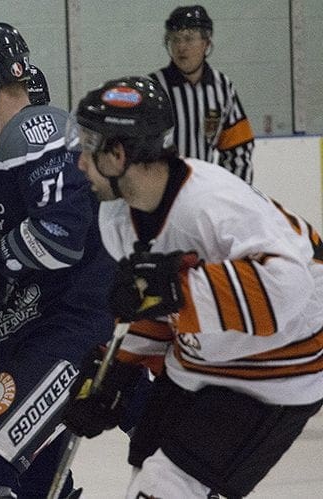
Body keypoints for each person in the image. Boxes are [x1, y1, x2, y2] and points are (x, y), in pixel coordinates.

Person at [63, 75, 323, 498]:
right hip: (201, 359)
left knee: (166, 486)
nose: (80, 162)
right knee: (145, 468)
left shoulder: (210, 203)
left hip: (279, 363)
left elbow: (288, 286)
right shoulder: (116, 217)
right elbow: (152, 305)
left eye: (89, 146)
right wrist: (116, 371)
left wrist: (176, 287)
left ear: (118, 154)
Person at [0, 22, 116, 498]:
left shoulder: (38, 131)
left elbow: (61, 236)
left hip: (76, 330)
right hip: (32, 335)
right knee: (39, 478)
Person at [149, 5, 255, 184]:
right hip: (161, 192)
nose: (181, 47)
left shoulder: (222, 87)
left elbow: (238, 150)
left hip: (203, 190)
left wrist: (232, 191)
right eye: (175, 39)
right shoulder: (154, 89)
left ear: (206, 43)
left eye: (189, 39)